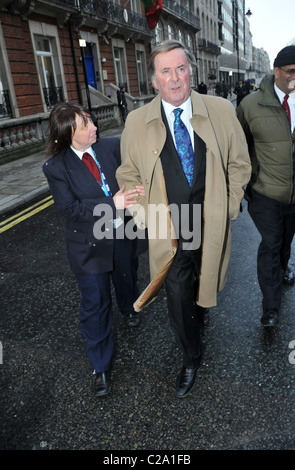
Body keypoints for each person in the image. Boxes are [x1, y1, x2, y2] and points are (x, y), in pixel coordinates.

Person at [116, 40, 251, 398]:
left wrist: (231, 204)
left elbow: (239, 163)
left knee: (203, 277)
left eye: (181, 68)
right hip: (168, 225)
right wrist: (145, 217)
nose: (175, 78)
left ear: (190, 71)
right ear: (154, 81)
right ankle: (191, 357)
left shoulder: (220, 110)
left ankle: (200, 307)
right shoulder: (135, 121)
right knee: (176, 292)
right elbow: (128, 175)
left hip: (210, 218)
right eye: (166, 71)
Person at [43, 102, 145, 396]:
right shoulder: (55, 167)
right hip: (88, 243)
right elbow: (70, 208)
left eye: (90, 120)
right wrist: (111, 204)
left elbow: (139, 149)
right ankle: (100, 365)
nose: (94, 127)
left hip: (122, 232)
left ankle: (129, 307)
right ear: (68, 133)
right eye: (85, 124)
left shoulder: (110, 147)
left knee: (126, 275)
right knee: (96, 303)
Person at [237, 45, 295, 327]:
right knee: (271, 244)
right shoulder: (250, 105)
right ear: (276, 72)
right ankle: (270, 307)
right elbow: (240, 146)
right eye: (292, 72)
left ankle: (284, 268)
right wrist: (250, 178)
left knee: (285, 241)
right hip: (266, 192)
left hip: (294, 196)